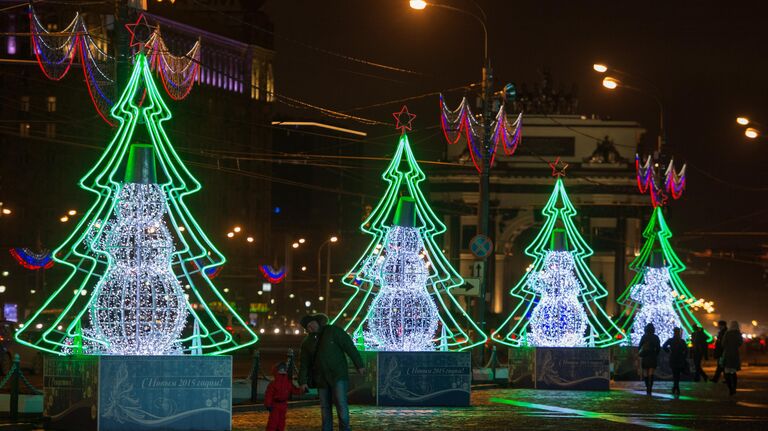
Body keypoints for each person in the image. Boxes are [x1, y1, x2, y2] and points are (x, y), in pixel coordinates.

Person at [298, 313, 364, 431]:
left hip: (338, 375)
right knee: (325, 407)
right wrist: (302, 381)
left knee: (341, 404)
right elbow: (304, 363)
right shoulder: (307, 343)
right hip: (321, 378)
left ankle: (344, 429)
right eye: (307, 327)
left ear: (317, 322)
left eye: (311, 324)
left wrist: (359, 364)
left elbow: (349, 347)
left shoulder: (333, 331)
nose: (310, 327)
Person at [264, 362, 303, 431]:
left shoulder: (274, 383)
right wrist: (301, 390)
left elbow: (269, 394)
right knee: (278, 421)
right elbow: (294, 390)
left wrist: (268, 404)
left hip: (277, 404)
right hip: (279, 404)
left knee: (276, 421)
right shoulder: (287, 382)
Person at [662, 327, 688, 399]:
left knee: (674, 373)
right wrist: (684, 357)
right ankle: (676, 386)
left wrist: (669, 351)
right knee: (678, 374)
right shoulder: (682, 341)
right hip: (680, 359)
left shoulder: (671, 340)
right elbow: (686, 350)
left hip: (673, 358)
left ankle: (675, 386)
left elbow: (664, 346)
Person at [637, 323, 661, 396]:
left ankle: (647, 386)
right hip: (652, 356)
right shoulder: (656, 337)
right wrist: (656, 353)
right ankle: (650, 386)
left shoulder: (644, 337)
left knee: (645, 372)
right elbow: (658, 348)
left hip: (645, 356)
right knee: (651, 372)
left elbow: (640, 346)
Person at [722, 320, 743, 396]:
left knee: (727, 372)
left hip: (727, 354)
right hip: (735, 354)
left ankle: (730, 388)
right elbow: (740, 343)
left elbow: (723, 343)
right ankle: (734, 387)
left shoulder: (727, 333)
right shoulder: (738, 334)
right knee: (733, 372)